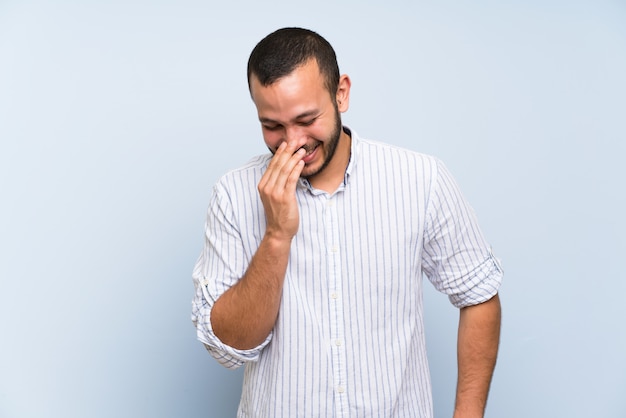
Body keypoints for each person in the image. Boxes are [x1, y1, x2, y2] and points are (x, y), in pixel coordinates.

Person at [192, 27, 503, 418]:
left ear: (341, 93)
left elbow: (478, 295)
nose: (292, 143)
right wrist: (275, 236)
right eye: (272, 125)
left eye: (307, 119)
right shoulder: (233, 195)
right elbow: (229, 348)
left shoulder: (421, 179)